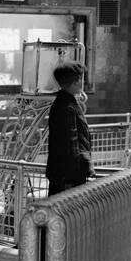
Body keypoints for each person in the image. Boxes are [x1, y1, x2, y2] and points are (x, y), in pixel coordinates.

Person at [45, 62, 92, 197]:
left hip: (63, 175)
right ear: (76, 82)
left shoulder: (64, 102)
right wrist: (71, 178)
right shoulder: (67, 107)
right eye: (80, 78)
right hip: (68, 178)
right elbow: (70, 145)